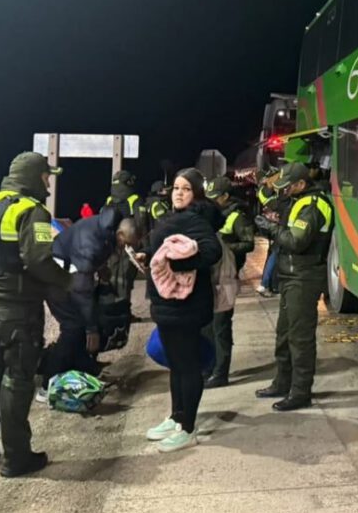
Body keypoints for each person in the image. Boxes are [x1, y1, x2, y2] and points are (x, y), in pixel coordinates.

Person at [0, 152, 71, 478]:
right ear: (34, 176)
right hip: (18, 310)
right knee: (17, 381)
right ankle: (17, 458)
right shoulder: (32, 211)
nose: (48, 182)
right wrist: (68, 280)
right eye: (46, 176)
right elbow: (40, 261)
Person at [142, 168, 222, 453]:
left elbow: (212, 251)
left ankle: (188, 428)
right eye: (176, 187)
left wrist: (176, 266)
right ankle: (176, 418)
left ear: (197, 193)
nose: (178, 192)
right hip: (167, 305)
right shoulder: (175, 217)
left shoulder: (195, 220)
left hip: (185, 306)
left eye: (186, 188)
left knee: (187, 366)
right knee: (176, 365)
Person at [254, 162, 334, 411]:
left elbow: (296, 241)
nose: (283, 192)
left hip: (304, 278)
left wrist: (271, 228)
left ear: (300, 184)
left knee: (300, 338)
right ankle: (282, 382)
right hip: (292, 277)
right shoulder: (299, 201)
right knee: (284, 335)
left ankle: (300, 392)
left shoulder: (313, 205)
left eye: (286, 187)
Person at [36, 209, 140, 397]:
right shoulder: (92, 244)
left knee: (81, 322)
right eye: (126, 243)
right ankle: (47, 385)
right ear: (120, 234)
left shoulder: (106, 228)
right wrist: (91, 329)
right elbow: (82, 290)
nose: (125, 248)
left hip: (68, 275)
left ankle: (84, 369)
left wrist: (101, 268)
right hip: (55, 279)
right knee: (73, 327)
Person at [203, 176, 254, 388]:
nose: (213, 201)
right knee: (207, 326)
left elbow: (248, 243)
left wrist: (225, 250)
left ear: (225, 196)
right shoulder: (212, 214)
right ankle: (209, 366)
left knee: (221, 326)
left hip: (225, 276)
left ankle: (220, 373)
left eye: (216, 197)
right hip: (210, 276)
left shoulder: (237, 217)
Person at [105, 170, 148, 302]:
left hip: (112, 243)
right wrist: (144, 246)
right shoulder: (134, 199)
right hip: (130, 244)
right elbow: (141, 223)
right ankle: (123, 311)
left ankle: (110, 307)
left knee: (110, 275)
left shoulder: (109, 200)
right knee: (125, 278)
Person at [255, 167, 282, 298]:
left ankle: (269, 284)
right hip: (274, 227)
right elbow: (275, 204)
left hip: (273, 226)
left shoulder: (268, 190)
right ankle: (265, 284)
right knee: (275, 254)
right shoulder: (264, 191)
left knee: (273, 253)